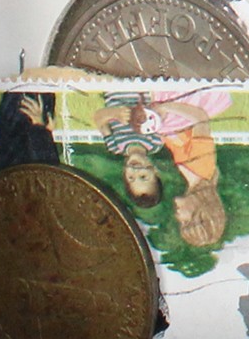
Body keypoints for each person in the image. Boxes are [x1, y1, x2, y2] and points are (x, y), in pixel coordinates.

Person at [95, 89, 232, 248]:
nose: (178, 217)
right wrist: (165, 107)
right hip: (173, 98)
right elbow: (201, 118)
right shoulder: (202, 167)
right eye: (185, 221)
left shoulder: (189, 174)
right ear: (201, 212)